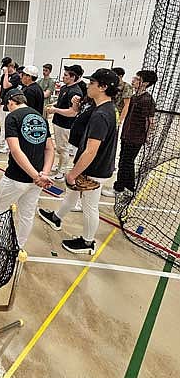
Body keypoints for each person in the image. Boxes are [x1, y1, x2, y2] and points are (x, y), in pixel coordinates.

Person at [39, 69, 119, 254]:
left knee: (90, 206)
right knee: (72, 195)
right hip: (93, 165)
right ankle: (57, 217)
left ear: (103, 87)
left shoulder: (101, 115)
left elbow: (91, 150)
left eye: (92, 83)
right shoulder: (106, 107)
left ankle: (88, 242)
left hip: (95, 168)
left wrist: (73, 173)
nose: (88, 86)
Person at [0, 88, 55, 248]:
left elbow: (15, 150)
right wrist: (43, 174)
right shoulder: (40, 117)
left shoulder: (12, 117)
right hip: (38, 180)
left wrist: (36, 176)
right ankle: (18, 247)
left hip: (17, 177)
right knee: (26, 215)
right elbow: (50, 148)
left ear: (11, 102)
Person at [113, 70, 157, 195]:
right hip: (127, 134)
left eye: (137, 79)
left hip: (136, 137)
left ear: (145, 83)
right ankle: (127, 187)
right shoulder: (134, 96)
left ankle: (121, 188)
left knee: (126, 162)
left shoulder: (147, 100)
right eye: (135, 77)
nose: (133, 80)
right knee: (125, 161)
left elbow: (150, 121)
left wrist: (147, 137)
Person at [46, 65, 83, 181]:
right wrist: (54, 105)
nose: (63, 77)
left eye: (66, 75)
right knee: (60, 149)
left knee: (64, 149)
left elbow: (73, 112)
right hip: (58, 122)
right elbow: (62, 102)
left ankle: (62, 172)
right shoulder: (64, 88)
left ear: (73, 77)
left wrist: (55, 110)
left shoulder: (75, 92)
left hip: (66, 125)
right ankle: (60, 166)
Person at [101, 66, 133, 197]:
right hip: (108, 113)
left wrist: (120, 120)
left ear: (120, 76)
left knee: (111, 143)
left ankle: (109, 165)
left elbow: (126, 105)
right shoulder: (111, 85)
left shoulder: (126, 87)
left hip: (116, 116)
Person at [0, 57, 21, 153]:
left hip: (10, 104)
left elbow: (6, 85)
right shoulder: (3, 76)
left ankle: (7, 145)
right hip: (2, 103)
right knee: (2, 124)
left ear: (10, 66)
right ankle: (1, 143)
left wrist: (6, 74)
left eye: (6, 67)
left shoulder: (16, 76)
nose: (4, 69)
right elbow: (1, 87)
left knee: (8, 124)